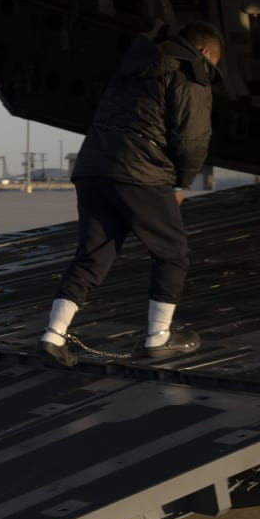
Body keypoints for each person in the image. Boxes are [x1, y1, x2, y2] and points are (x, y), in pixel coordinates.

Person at [39, 22, 223, 365]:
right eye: (214, 64)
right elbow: (192, 140)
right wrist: (181, 183)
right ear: (204, 53)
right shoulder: (190, 74)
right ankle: (159, 336)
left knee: (92, 256)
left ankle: (54, 334)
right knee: (173, 254)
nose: (211, 72)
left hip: (93, 167)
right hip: (140, 171)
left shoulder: (134, 64)